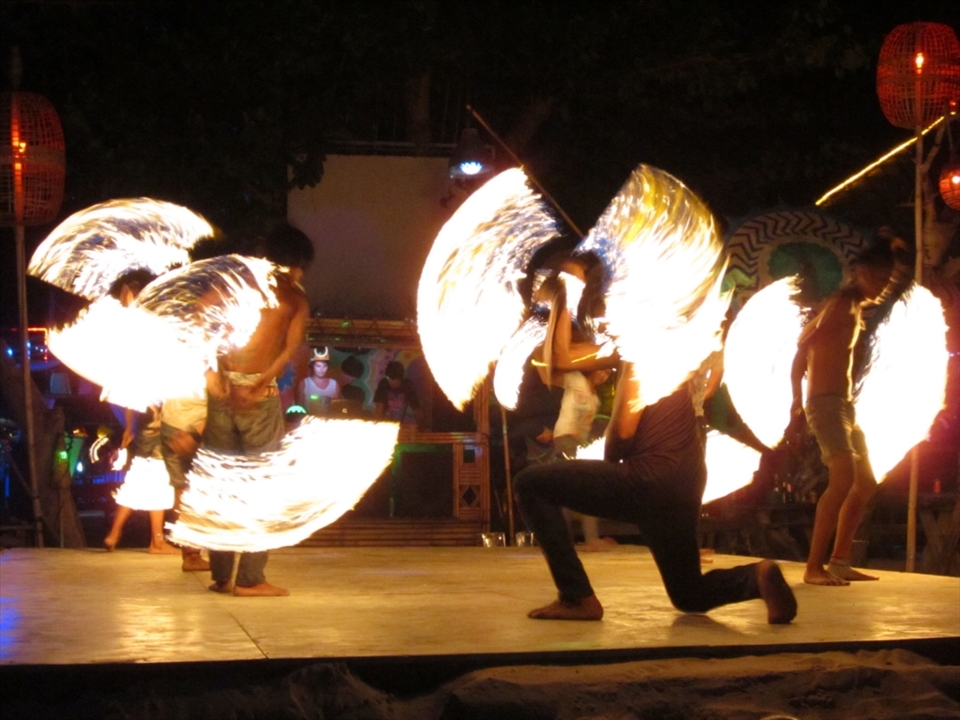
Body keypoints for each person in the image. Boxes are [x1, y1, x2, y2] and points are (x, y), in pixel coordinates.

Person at [514, 261, 797, 624]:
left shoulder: (641, 349)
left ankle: (576, 597)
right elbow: (557, 361)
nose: (602, 321)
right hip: (685, 482)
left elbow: (623, 431)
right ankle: (755, 577)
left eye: (606, 312)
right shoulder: (662, 340)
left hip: (650, 478)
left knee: (531, 484)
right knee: (688, 594)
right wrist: (562, 298)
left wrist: (612, 455)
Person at [204, 222, 313, 597]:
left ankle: (222, 576)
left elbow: (195, 322)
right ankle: (249, 578)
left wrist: (212, 377)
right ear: (296, 264)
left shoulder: (234, 287)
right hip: (259, 397)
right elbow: (289, 350)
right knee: (263, 488)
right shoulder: (294, 299)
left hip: (222, 394)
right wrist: (260, 382)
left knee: (221, 485)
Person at [790, 243, 901, 586]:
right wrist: (797, 399)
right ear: (861, 273)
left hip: (843, 404)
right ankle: (812, 568)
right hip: (825, 403)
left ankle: (839, 561)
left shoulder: (853, 308)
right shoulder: (839, 305)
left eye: (888, 282)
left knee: (865, 482)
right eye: (879, 279)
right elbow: (802, 345)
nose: (883, 288)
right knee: (842, 479)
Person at [103, 404, 179, 555]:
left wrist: (129, 427)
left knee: (135, 484)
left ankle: (113, 534)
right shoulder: (167, 385)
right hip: (160, 434)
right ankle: (157, 542)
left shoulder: (141, 387)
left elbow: (131, 402)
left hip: (143, 433)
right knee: (159, 486)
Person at [159, 390, 210, 571]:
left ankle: (190, 554)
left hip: (169, 422)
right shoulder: (211, 362)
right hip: (196, 424)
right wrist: (198, 431)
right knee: (203, 491)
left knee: (180, 489)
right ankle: (195, 554)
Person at [374, 361, 421, 425]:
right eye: (388, 378)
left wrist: (420, 427)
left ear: (400, 378)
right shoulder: (383, 384)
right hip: (385, 425)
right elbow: (378, 411)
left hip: (402, 425)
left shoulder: (407, 385)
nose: (390, 381)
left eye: (393, 379)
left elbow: (417, 410)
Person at [297, 347, 341, 415]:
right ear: (312, 366)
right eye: (318, 366)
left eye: (324, 366)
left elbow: (337, 408)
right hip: (309, 421)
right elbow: (299, 408)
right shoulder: (304, 383)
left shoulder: (334, 384)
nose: (321, 369)